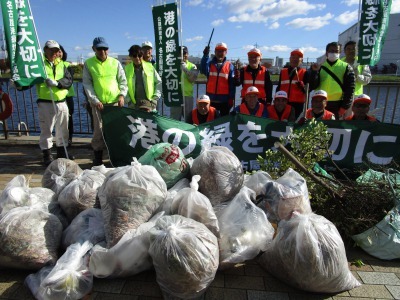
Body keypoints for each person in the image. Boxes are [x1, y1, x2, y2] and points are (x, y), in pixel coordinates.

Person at [82, 37, 128, 166]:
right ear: (94, 49)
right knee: (99, 131)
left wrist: (122, 95)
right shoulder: (89, 63)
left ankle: (115, 157)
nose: (103, 51)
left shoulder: (115, 63)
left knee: (116, 130)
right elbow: (87, 84)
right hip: (98, 105)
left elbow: (122, 81)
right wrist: (94, 100)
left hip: (115, 103)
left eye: (105, 48)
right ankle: (98, 159)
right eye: (99, 48)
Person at [37, 40, 73, 165]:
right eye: (51, 50)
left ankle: (62, 153)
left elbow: (68, 80)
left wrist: (57, 83)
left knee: (63, 129)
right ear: (45, 49)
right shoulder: (38, 64)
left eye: (56, 50)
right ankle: (47, 155)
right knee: (47, 130)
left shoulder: (63, 65)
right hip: (46, 101)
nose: (54, 53)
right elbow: (29, 79)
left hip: (62, 102)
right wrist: (19, 84)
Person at [311, 42, 355, 119]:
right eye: (331, 51)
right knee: (317, 127)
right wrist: (314, 72)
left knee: (334, 128)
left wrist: (344, 107)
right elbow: (313, 85)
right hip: (319, 102)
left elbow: (350, 89)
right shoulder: (319, 66)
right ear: (327, 52)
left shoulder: (346, 67)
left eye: (336, 51)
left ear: (340, 52)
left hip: (337, 103)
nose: (334, 53)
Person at [276, 49, 319, 119]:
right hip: (283, 103)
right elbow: (278, 88)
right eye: (293, 57)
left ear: (301, 60)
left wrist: (314, 72)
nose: (295, 59)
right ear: (290, 59)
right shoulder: (283, 72)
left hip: (298, 105)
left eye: (297, 58)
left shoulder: (305, 73)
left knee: (295, 124)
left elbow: (310, 88)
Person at [201, 42, 235, 116]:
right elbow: (203, 70)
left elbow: (232, 85)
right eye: (218, 51)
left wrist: (231, 99)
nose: (220, 53)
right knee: (210, 122)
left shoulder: (230, 66)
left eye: (222, 51)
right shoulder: (209, 64)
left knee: (223, 123)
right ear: (215, 52)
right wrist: (205, 56)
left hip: (224, 102)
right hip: (211, 100)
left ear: (226, 52)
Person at [124, 45, 162, 112]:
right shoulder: (126, 69)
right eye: (134, 56)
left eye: (139, 55)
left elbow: (159, 82)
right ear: (130, 56)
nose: (137, 58)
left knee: (150, 121)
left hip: (149, 103)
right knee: (135, 122)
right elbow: (124, 86)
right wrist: (128, 101)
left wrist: (155, 99)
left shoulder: (150, 67)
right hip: (133, 105)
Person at [170, 46, 198, 121]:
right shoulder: (172, 66)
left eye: (185, 53)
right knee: (174, 120)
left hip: (187, 96)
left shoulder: (192, 66)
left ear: (188, 54)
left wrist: (185, 69)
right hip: (175, 97)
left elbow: (192, 79)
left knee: (188, 120)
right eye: (181, 53)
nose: (183, 55)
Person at [58, 45, 75, 147]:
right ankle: (59, 141)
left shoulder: (67, 65)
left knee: (69, 118)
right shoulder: (47, 65)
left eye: (60, 51)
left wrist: (57, 84)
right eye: (56, 51)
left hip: (68, 96)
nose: (59, 54)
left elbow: (69, 79)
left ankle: (69, 139)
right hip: (56, 98)